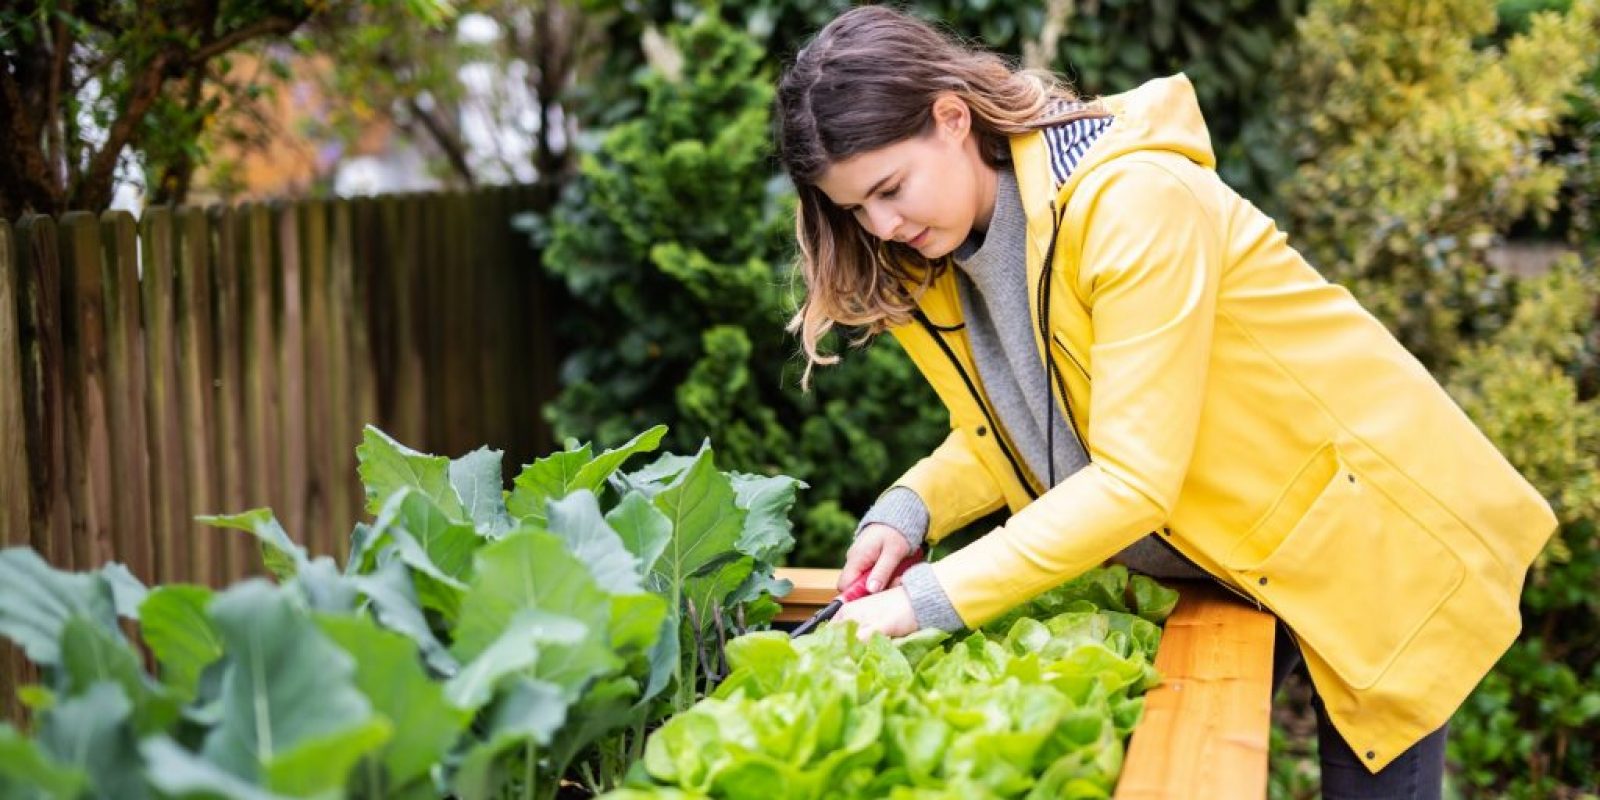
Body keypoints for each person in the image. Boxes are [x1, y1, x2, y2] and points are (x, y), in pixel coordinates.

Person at [773, 6, 1557, 799]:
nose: (882, 224)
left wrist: (927, 601)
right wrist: (909, 510)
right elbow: (1020, 427)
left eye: (889, 189)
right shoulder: (953, 251)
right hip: (1232, 547)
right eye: (855, 210)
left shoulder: (1131, 203)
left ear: (950, 118)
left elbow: (1131, 482)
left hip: (1369, 534)